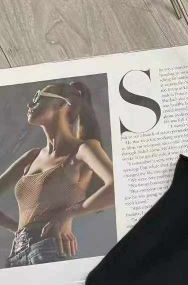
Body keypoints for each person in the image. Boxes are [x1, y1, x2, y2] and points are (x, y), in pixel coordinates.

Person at [0, 81, 114, 267]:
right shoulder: (32, 156)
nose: (30, 104)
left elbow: (117, 188)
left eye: (38, 97)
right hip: (15, 256)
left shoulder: (83, 150)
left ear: (61, 104)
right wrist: (19, 231)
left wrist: (66, 215)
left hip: (48, 249)